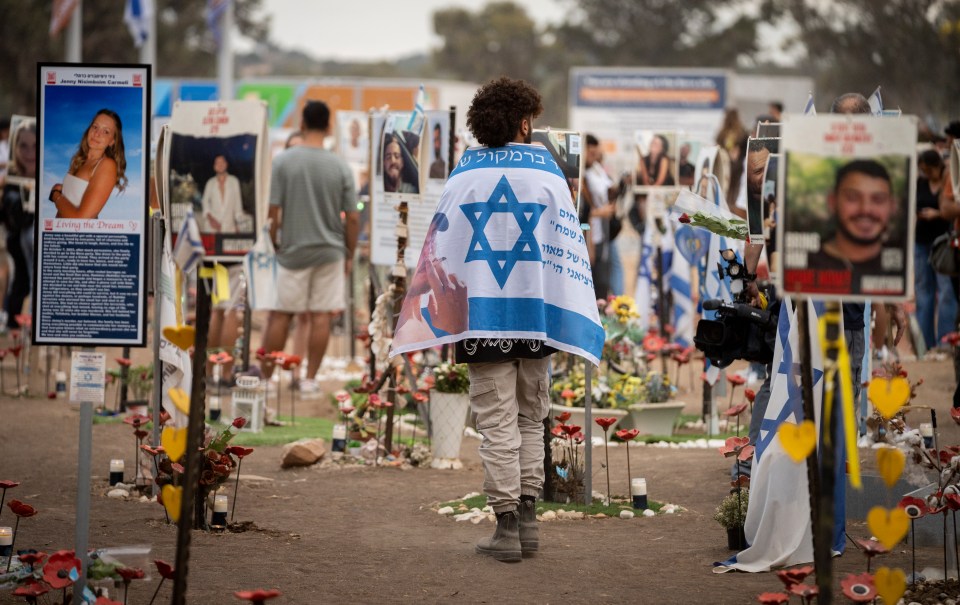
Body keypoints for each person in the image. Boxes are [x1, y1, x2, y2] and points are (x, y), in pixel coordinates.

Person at [391, 76, 602, 563]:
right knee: (532, 416)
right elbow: (568, 247)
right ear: (525, 121)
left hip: (482, 312)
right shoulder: (548, 174)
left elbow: (441, 247)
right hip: (536, 315)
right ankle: (527, 521)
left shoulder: (464, 175)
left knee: (495, 419)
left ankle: (506, 524)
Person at [259, 100, 359, 394]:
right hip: (330, 252)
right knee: (321, 316)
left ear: (301, 124)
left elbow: (272, 210)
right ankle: (310, 380)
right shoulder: (340, 165)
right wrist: (349, 253)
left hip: (291, 252)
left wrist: (273, 245)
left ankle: (266, 380)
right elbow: (352, 218)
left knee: (280, 314)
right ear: (329, 127)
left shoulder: (283, 161)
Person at [805, 159, 903, 294]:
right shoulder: (807, 264)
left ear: (892, 206)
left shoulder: (899, 266)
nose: (866, 209)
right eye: (852, 197)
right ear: (832, 202)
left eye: (878, 199)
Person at [48, 109, 127, 219]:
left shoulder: (107, 165)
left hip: (78, 236)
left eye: (106, 131)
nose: (97, 134)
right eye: (95, 127)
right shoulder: (80, 160)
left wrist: (56, 196)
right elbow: (76, 194)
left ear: (112, 141)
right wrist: (63, 189)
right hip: (61, 234)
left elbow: (81, 220)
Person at [914, 149, 956, 351]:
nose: (926, 174)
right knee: (924, 293)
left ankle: (945, 342)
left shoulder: (948, 182)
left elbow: (949, 211)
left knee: (946, 291)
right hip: (921, 241)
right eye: (923, 170)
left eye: (928, 170)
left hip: (942, 243)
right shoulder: (920, 183)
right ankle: (925, 344)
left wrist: (937, 214)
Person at [1, 120, 36, 331]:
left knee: (29, 281)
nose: (29, 152)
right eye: (23, 145)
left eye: (34, 145)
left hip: (27, 234)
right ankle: (20, 324)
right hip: (21, 234)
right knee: (28, 281)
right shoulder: (12, 180)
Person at [582, 134, 626, 298]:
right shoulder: (581, 177)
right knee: (597, 276)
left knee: (604, 274)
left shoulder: (595, 170)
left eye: (597, 155)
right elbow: (585, 213)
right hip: (588, 232)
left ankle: (614, 304)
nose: (594, 158)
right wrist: (600, 212)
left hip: (597, 231)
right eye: (592, 154)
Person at [201, 154, 248, 233]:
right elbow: (205, 203)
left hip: (230, 227)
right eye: (217, 163)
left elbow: (238, 205)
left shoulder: (234, 181)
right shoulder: (210, 183)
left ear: (226, 164)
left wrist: (239, 226)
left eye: (222, 162)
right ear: (214, 166)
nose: (220, 165)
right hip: (212, 228)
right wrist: (211, 220)